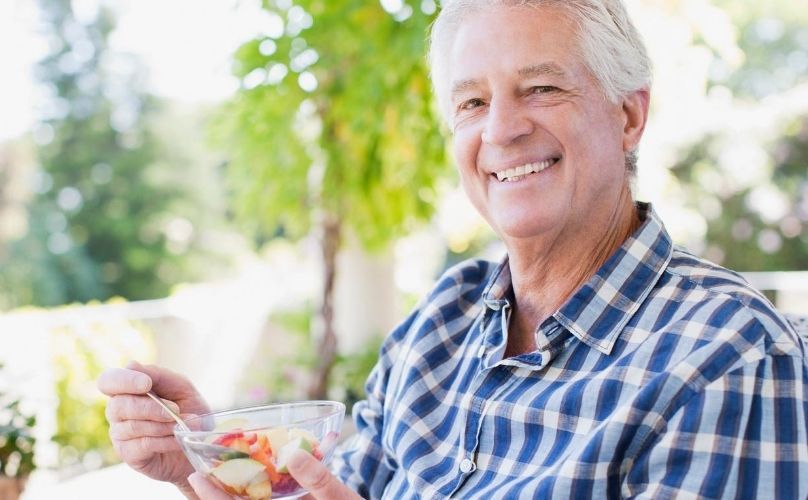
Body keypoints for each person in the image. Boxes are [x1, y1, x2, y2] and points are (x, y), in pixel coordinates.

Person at [98, 0, 808, 498]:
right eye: (471, 103)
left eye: (541, 87)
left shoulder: (729, 354)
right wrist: (206, 459)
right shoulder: (444, 316)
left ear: (629, 115)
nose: (501, 130)